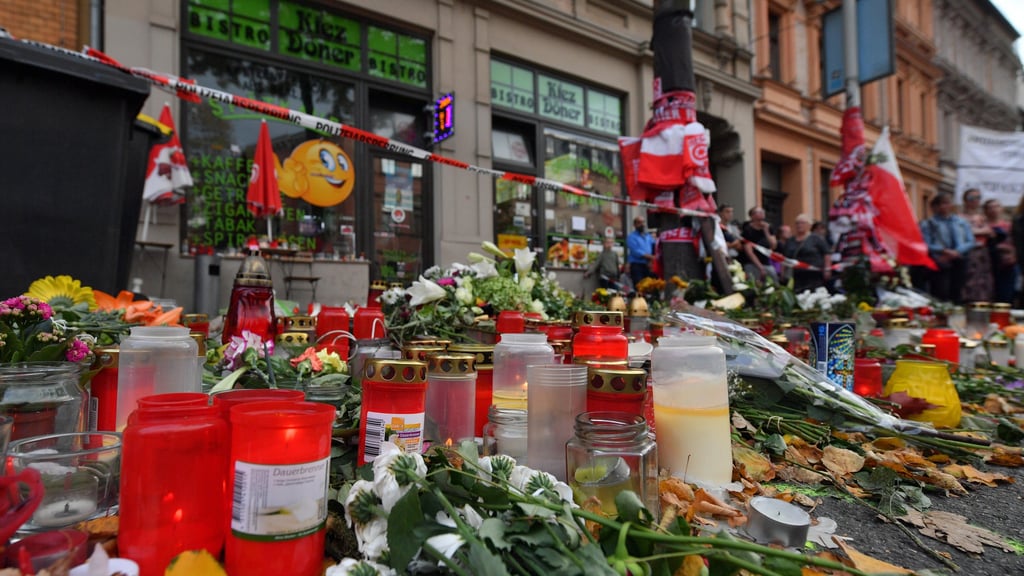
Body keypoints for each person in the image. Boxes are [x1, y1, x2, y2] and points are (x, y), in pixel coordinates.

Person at [920, 192, 974, 304]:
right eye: (940, 204)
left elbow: (970, 241)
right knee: (941, 292)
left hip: (959, 259)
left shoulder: (961, 222)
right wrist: (943, 251)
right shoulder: (929, 223)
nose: (943, 207)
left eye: (946, 203)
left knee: (958, 292)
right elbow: (926, 243)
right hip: (940, 260)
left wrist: (957, 251)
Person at [960, 188, 994, 303]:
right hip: (969, 252)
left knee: (983, 280)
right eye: (971, 198)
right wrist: (980, 231)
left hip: (983, 252)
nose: (975, 201)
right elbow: (965, 233)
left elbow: (990, 231)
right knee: (969, 279)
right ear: (965, 200)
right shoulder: (960, 217)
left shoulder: (982, 217)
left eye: (978, 198)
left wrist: (976, 231)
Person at [783, 214, 832, 293]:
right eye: (797, 223)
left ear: (809, 225)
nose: (799, 225)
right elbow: (785, 257)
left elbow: (827, 253)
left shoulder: (816, 238)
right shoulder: (790, 241)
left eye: (802, 223)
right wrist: (783, 272)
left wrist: (827, 269)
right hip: (797, 275)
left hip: (813, 274)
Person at [984, 199, 1017, 304]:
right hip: (986, 263)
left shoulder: (1010, 226)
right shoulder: (982, 225)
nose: (993, 210)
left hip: (1007, 263)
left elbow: (1016, 242)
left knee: (1005, 294)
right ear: (985, 210)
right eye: (990, 207)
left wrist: (1013, 254)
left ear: (1001, 209)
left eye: (996, 206)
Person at [740, 206, 778, 283]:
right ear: (752, 216)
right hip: (752, 263)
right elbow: (749, 251)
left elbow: (773, 246)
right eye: (759, 212)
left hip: (766, 262)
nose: (762, 213)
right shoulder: (748, 229)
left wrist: (766, 231)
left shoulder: (768, 227)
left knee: (774, 282)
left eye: (762, 211)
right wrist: (760, 267)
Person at [626, 215, 656, 287]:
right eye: (639, 222)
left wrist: (652, 260)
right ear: (635, 225)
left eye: (643, 222)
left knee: (650, 287)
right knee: (639, 287)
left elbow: (654, 246)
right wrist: (651, 257)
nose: (642, 224)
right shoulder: (631, 237)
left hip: (648, 265)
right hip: (637, 266)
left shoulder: (648, 236)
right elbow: (636, 252)